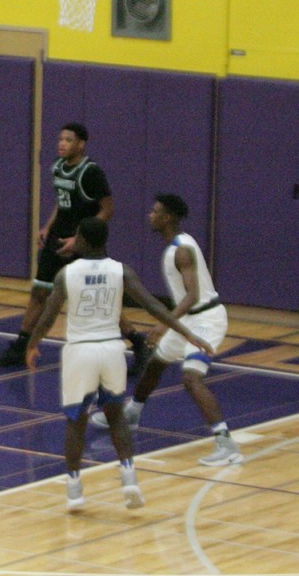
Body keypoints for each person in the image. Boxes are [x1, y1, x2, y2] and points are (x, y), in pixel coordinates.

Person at [26, 216, 213, 512]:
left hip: (81, 351)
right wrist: (188, 332)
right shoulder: (122, 271)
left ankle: (75, 490)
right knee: (116, 417)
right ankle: (130, 480)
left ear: (83, 240)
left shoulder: (67, 274)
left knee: (77, 421)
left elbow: (48, 315)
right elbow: (154, 306)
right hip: (112, 351)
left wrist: (32, 343)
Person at [89, 194, 244, 466]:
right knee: (156, 363)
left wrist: (164, 323)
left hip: (206, 319)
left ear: (167, 217)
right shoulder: (175, 246)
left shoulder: (182, 249)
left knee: (191, 379)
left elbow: (193, 295)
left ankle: (226, 443)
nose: (150, 215)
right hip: (188, 320)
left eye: (155, 211)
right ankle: (132, 414)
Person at [0, 122, 152, 373]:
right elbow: (61, 204)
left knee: (98, 300)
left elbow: (108, 209)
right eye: (60, 139)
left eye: (68, 140)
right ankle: (22, 346)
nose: (62, 143)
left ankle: (139, 344)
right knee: (39, 292)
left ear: (81, 144)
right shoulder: (58, 167)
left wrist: (80, 238)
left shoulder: (91, 172)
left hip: (84, 245)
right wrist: (47, 226)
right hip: (57, 239)